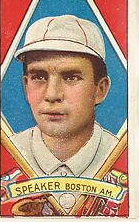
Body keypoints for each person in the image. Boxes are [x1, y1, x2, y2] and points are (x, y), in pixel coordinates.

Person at [9, 14, 119, 213]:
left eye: (71, 77)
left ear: (100, 89)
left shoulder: (122, 155)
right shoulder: (5, 154)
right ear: (26, 86)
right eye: (39, 76)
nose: (52, 95)